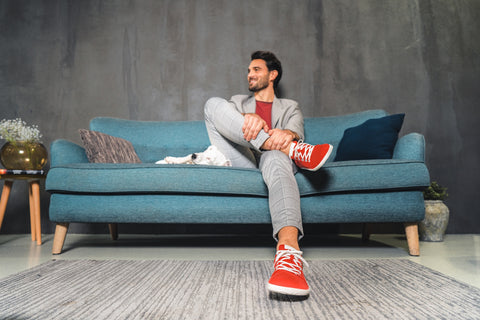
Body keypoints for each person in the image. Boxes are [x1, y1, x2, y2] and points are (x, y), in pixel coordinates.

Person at [204, 51, 332, 297]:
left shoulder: (290, 106)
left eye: (256, 70)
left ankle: (288, 254)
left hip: (275, 161)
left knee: (275, 157)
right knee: (212, 103)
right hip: (245, 160)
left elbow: (294, 131)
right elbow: (225, 121)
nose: (250, 75)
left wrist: (289, 138)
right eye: (249, 70)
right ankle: (290, 151)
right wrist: (245, 118)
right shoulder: (237, 102)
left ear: (272, 75)